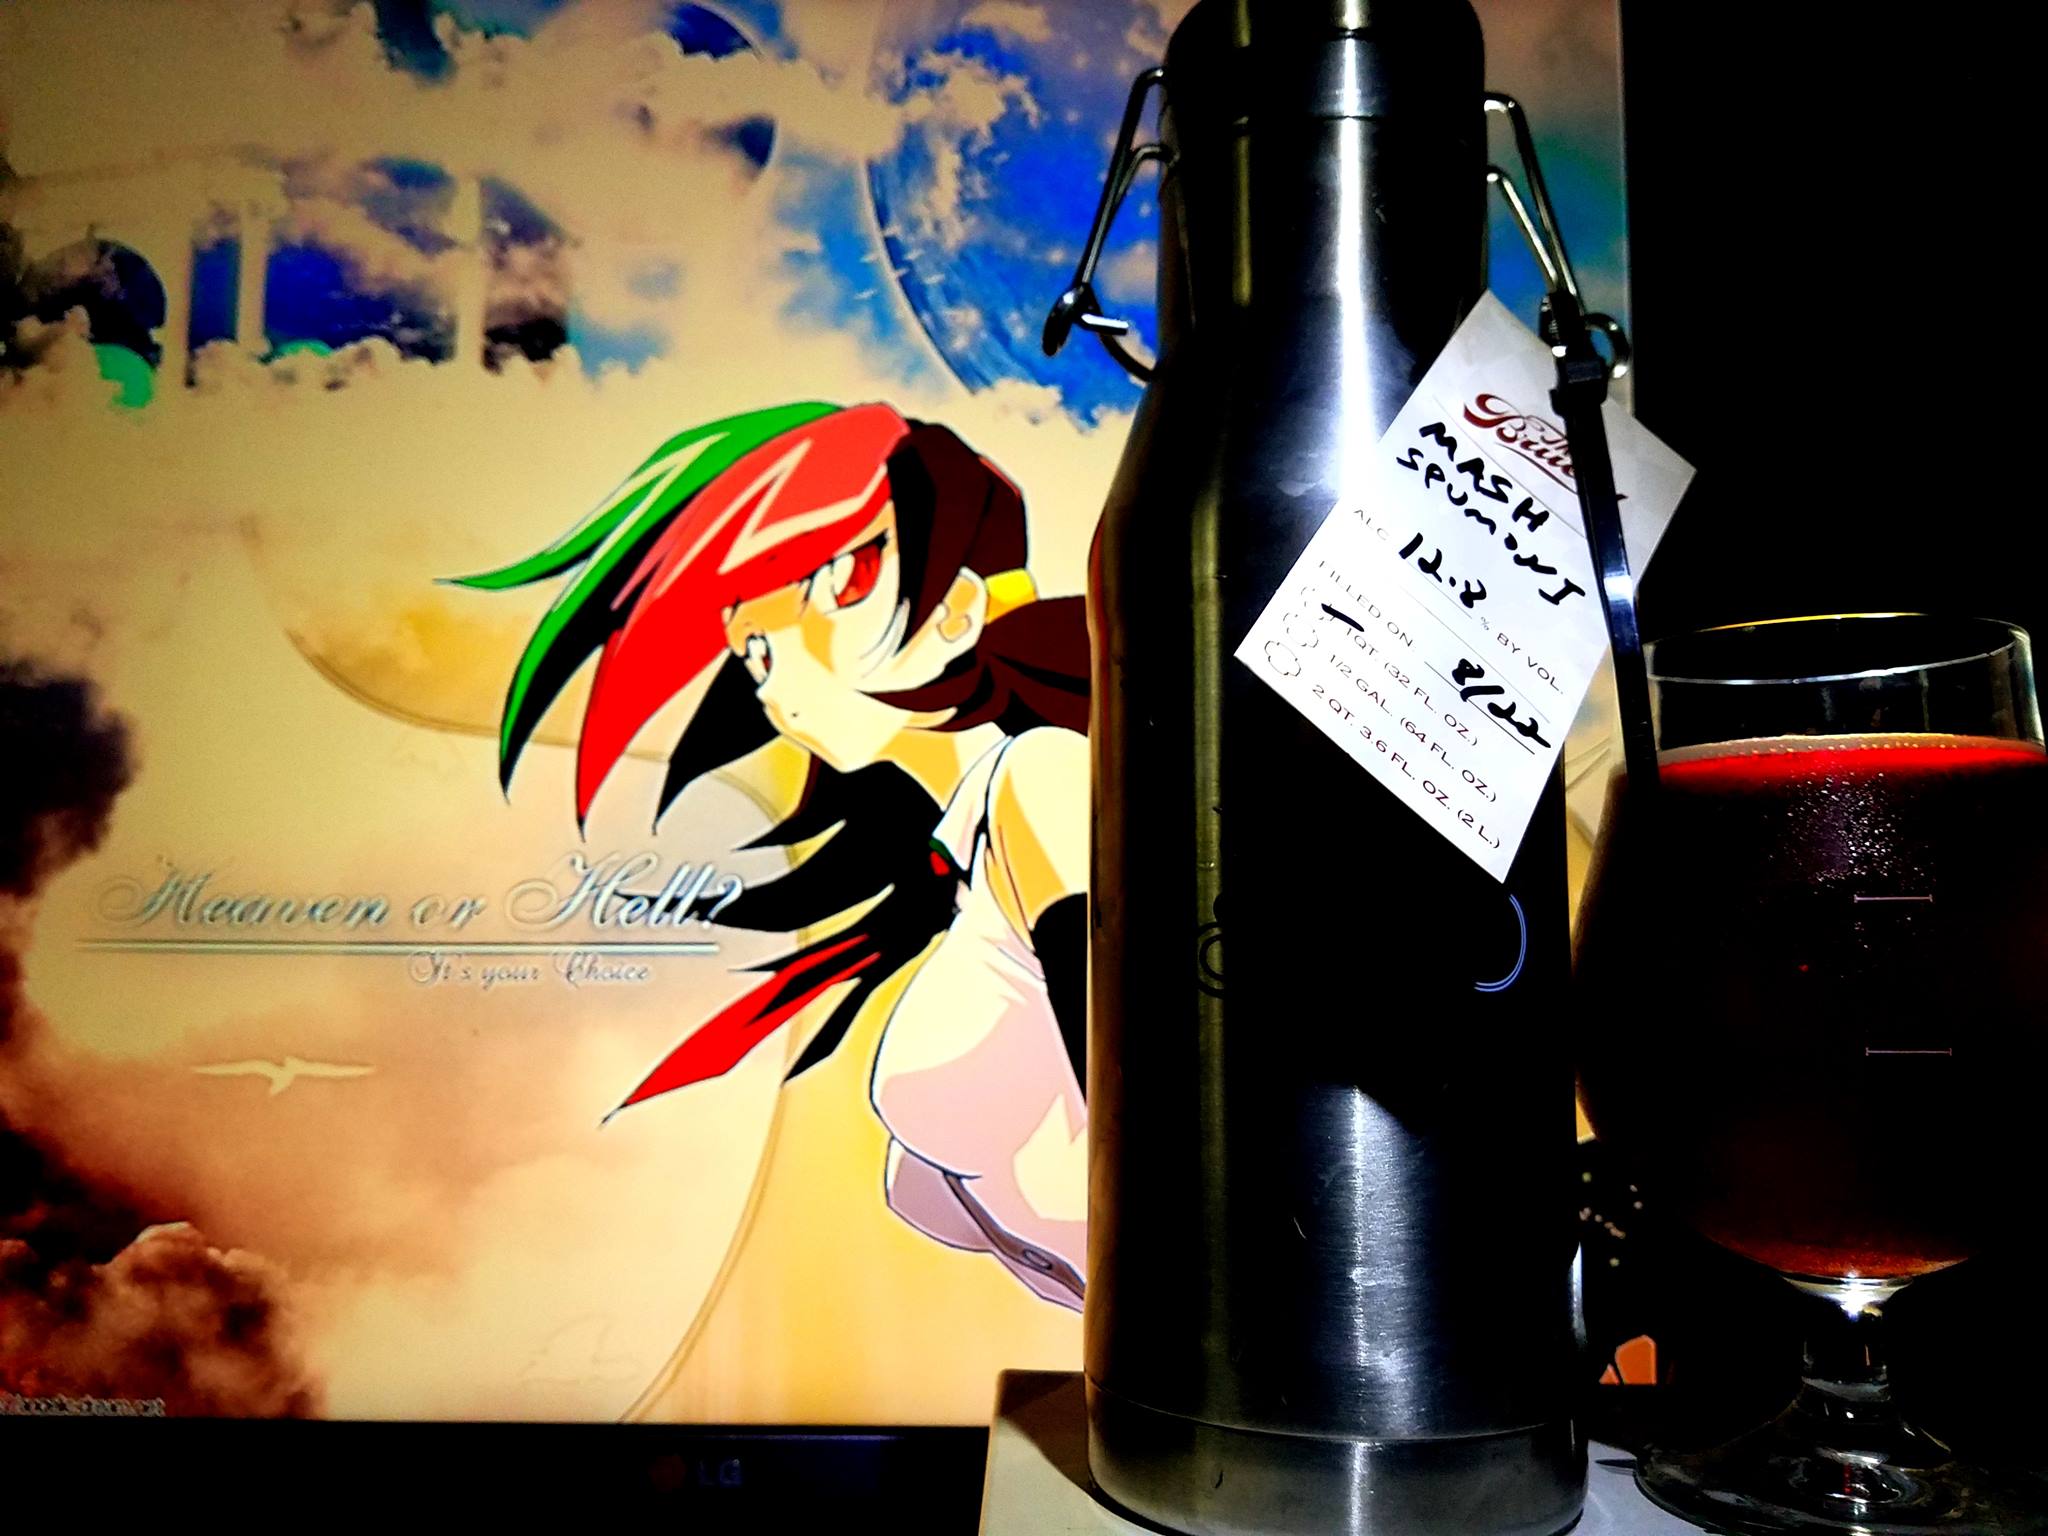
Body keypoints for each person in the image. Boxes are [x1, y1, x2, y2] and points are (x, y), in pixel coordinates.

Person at [459, 401, 1090, 1307]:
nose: (772, 673)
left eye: (838, 583)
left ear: (955, 611)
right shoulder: (969, 859)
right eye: (749, 650)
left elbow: (1159, 1117)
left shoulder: (1043, 781)